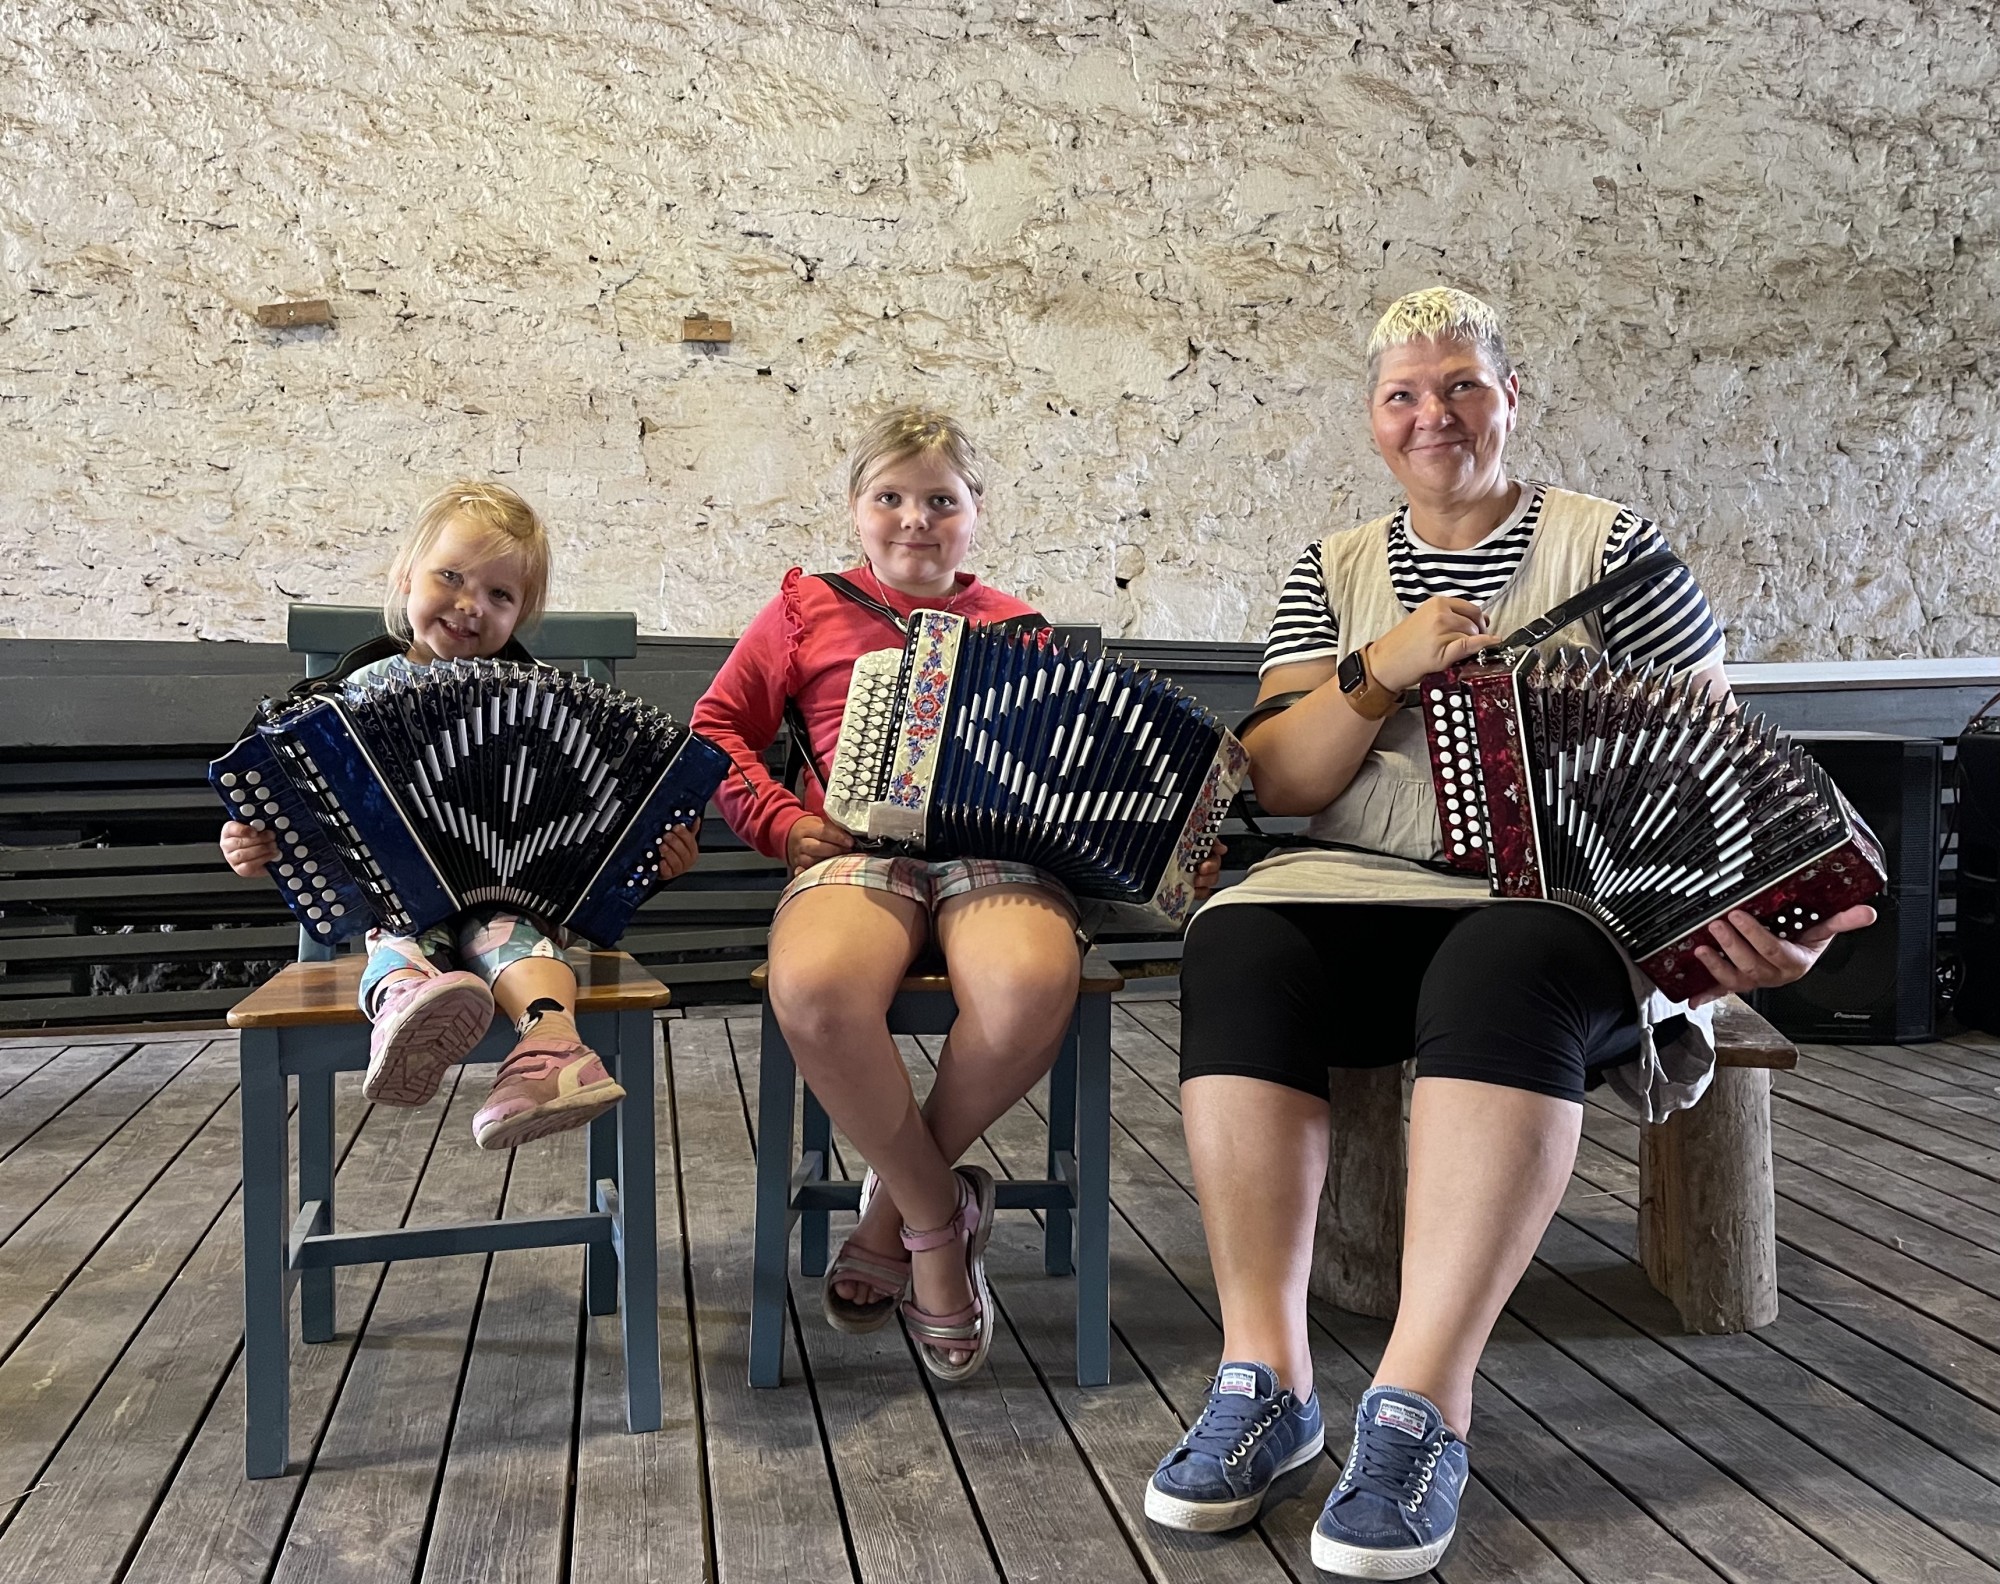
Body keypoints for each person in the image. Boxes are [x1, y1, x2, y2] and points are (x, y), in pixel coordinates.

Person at [1142, 289, 1874, 1579]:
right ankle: (1265, 1378)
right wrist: (1379, 667)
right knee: (1236, 942)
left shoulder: (1616, 551)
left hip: (1564, 913)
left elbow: (1717, 767)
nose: (1433, 414)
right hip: (1357, 884)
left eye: (1461, 385)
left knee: (1504, 956)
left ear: (1509, 399)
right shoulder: (1331, 570)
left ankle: (1420, 1403)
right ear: (1373, 422)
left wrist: (1768, 930)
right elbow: (1288, 781)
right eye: (1403, 395)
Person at [694, 406, 1220, 1382]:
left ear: (975, 511)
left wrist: (1158, 841)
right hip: (858, 852)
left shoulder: (1019, 630)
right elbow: (717, 727)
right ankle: (941, 1222)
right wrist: (777, 819)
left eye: (941, 501)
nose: (914, 520)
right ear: (855, 508)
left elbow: (1068, 777)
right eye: (889, 497)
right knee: (815, 992)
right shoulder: (805, 608)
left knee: (1029, 988)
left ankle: (893, 1220)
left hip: (994, 858)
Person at [219, 480, 700, 1150]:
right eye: (450, 577)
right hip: (400, 904)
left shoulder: (547, 709)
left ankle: (552, 1049)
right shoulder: (342, 703)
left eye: (500, 595)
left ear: (521, 615)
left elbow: (604, 823)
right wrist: (250, 841)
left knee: (509, 929)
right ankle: (407, 1005)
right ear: (405, 576)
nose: (471, 605)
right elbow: (295, 809)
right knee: (400, 931)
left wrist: (655, 860)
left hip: (513, 900)